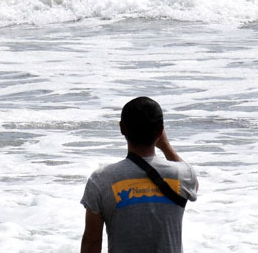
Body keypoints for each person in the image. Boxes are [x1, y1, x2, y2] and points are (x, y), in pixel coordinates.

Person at [80, 96, 198, 253]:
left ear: (122, 128)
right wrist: (165, 146)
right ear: (161, 131)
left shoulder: (102, 179)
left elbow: (91, 242)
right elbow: (194, 186)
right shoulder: (182, 175)